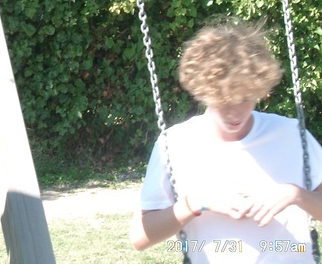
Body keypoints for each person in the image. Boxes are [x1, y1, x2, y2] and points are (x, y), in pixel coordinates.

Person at [130, 19, 322, 262]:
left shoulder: (290, 134)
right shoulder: (176, 144)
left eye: (245, 98)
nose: (235, 113)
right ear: (203, 92)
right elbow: (140, 237)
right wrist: (197, 203)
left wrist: (296, 194)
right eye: (223, 101)